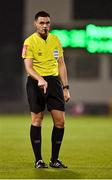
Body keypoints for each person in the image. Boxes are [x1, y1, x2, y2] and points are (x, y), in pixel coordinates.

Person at [22, 11, 70, 168]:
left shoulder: (55, 40)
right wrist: (40, 79)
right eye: (41, 23)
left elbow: (61, 64)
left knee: (60, 122)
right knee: (37, 120)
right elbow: (28, 68)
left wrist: (65, 87)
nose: (45, 26)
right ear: (35, 24)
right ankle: (38, 160)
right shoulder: (29, 42)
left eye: (47, 23)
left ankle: (54, 160)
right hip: (36, 83)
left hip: (54, 83)